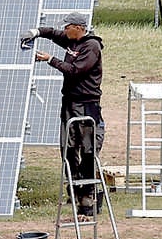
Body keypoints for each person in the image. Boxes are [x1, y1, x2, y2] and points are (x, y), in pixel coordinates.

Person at [20, 12, 104, 218]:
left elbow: (75, 70)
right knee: (68, 149)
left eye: (68, 27)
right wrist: (36, 32)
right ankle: (74, 192)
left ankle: (88, 198)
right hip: (69, 103)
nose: (65, 30)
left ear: (78, 27)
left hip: (86, 106)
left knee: (87, 151)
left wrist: (50, 59)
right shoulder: (71, 40)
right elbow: (52, 33)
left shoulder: (90, 47)